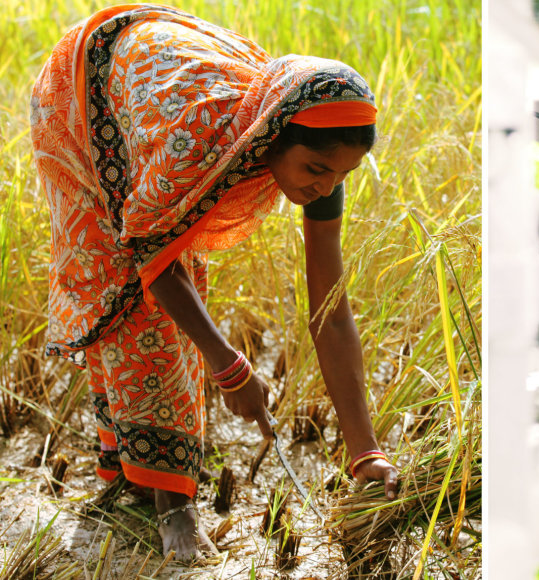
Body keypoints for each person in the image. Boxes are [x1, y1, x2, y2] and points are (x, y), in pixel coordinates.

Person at [30, 4, 398, 561]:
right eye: (316, 171)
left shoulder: (322, 147)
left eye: (342, 175)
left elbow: (332, 307)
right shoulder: (193, 142)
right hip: (88, 90)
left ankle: (133, 469)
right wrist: (229, 370)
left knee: (167, 298)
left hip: (152, 92)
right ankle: (170, 504)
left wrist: (365, 453)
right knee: (136, 303)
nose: (326, 188)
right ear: (271, 137)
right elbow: (154, 259)